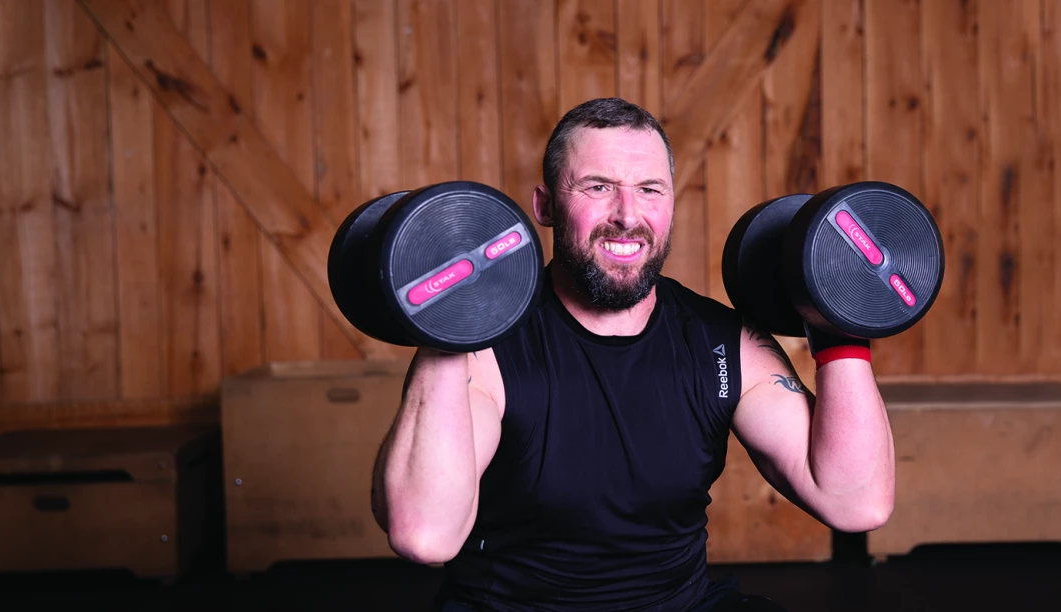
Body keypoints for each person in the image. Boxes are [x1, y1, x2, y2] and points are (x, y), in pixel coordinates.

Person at [370, 98, 895, 611]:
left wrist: (838, 320)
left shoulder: (721, 342)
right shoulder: (482, 353)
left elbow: (856, 502)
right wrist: (446, 324)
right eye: (598, 187)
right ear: (546, 206)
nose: (627, 216)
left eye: (649, 189)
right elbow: (425, 535)